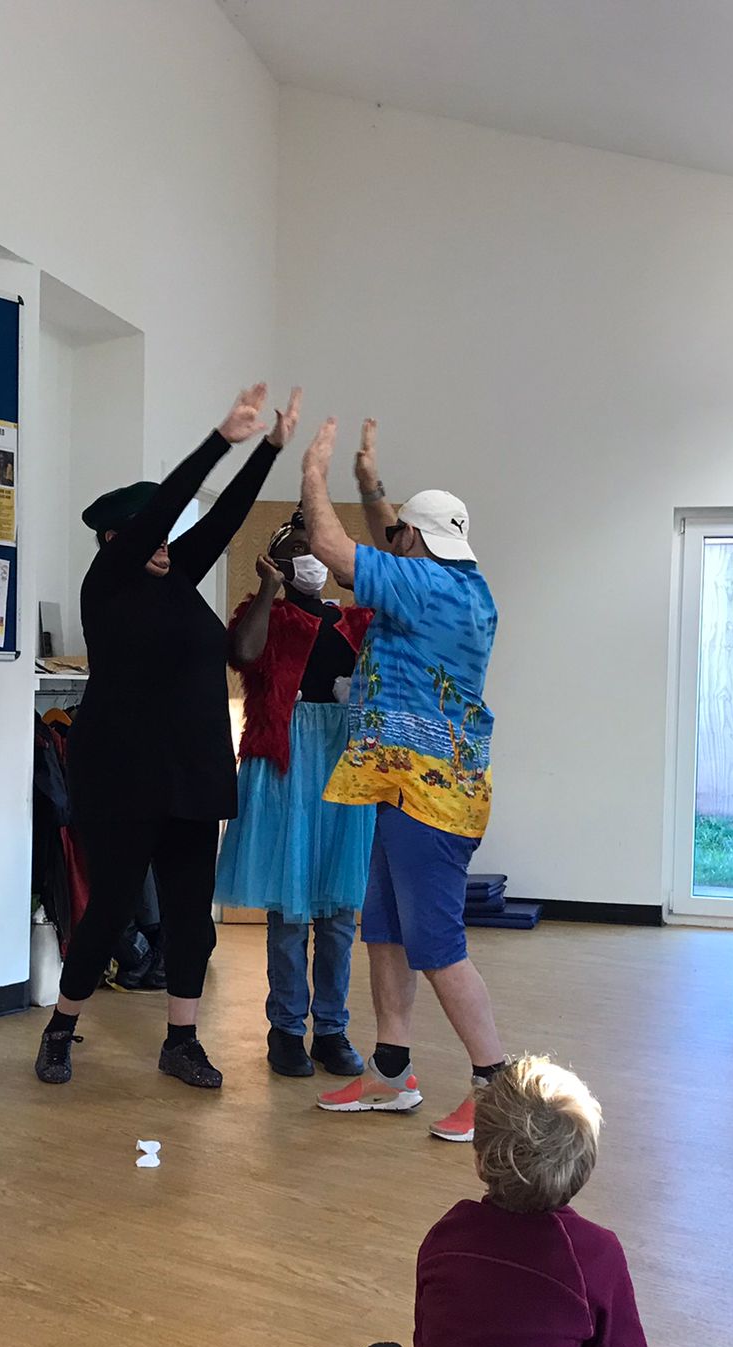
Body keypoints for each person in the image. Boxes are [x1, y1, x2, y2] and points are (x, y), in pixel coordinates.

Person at [35, 383, 301, 1091]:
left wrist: (270, 448)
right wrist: (221, 437)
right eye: (153, 532)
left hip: (190, 773)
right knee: (111, 912)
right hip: (122, 776)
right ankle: (61, 1027)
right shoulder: (108, 583)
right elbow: (165, 507)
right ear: (116, 540)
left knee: (193, 921)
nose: (169, 542)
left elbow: (227, 517)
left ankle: (181, 1040)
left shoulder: (178, 579)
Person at [333, 1056, 691, 1347]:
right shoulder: (595, 1256)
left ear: (479, 1156)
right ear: (584, 1166)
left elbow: (435, 1346)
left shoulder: (448, 1231)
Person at [296, 420, 505, 1142]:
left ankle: (494, 1088)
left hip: (429, 795)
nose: (393, 544)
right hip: (402, 787)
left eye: (398, 536)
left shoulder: (423, 587)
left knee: (437, 945)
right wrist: (371, 486)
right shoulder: (458, 583)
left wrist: (315, 477)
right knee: (383, 930)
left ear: (414, 545)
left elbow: (333, 550)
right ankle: (391, 1073)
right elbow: (399, 537)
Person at [217, 515, 377, 1078]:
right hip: (286, 764)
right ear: (278, 561)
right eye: (296, 550)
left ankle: (331, 1029)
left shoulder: (355, 619)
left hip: (342, 766)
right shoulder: (266, 613)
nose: (309, 558)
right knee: (289, 912)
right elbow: (244, 653)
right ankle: (285, 1029)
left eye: (316, 549)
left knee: (337, 913)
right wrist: (266, 590)